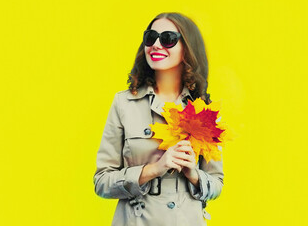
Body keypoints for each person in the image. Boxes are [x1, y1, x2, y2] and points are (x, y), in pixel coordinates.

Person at [93, 12, 224, 226]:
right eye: (150, 37)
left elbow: (216, 184)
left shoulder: (203, 110)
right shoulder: (124, 103)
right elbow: (102, 182)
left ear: (187, 48)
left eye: (168, 39)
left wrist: (193, 173)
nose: (156, 44)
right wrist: (153, 169)